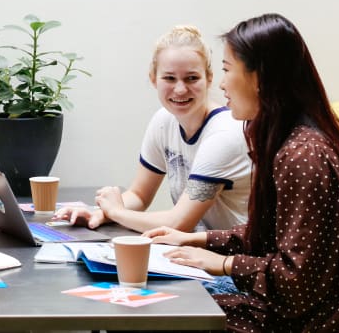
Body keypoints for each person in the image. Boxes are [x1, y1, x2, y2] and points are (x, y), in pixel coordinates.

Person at [149, 13, 339, 331]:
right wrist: (199, 239)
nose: (221, 83)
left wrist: (224, 264)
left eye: (227, 70)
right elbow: (270, 232)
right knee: (159, 305)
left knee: (160, 315)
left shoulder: (305, 156)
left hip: (322, 322)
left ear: (260, 78)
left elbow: (296, 282)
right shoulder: (287, 139)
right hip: (300, 312)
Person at [55, 25, 252, 234]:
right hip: (193, 248)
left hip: (233, 257)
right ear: (153, 78)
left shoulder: (224, 135)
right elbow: (139, 195)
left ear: (209, 78)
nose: (180, 89)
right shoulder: (163, 121)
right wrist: (98, 213)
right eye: (169, 78)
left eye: (192, 78)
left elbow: (179, 222)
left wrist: (116, 212)